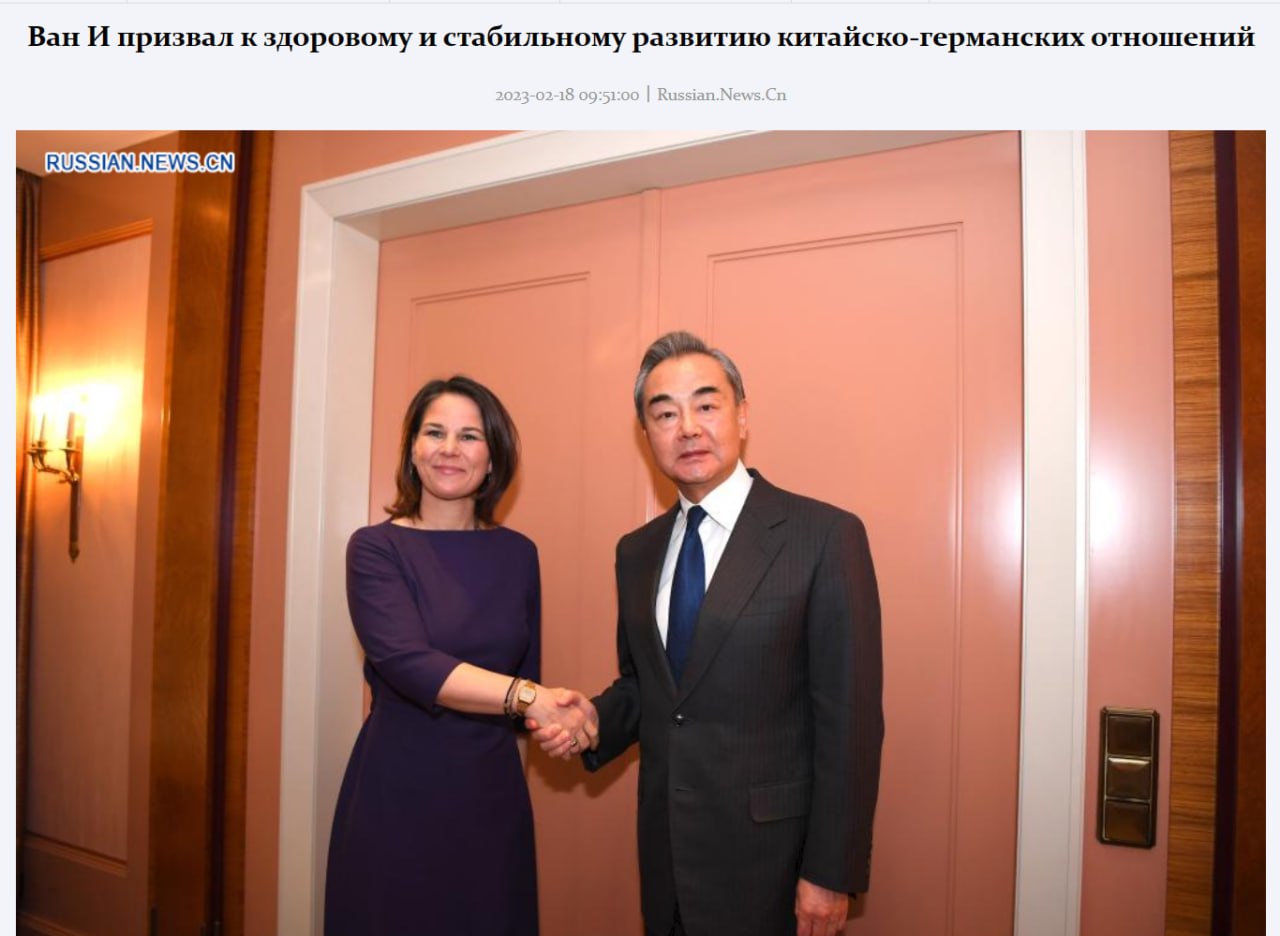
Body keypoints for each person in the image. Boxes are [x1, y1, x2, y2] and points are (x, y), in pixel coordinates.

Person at [533, 332, 884, 936]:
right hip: (667, 862)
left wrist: (831, 872)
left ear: (742, 415)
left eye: (706, 404)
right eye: (665, 413)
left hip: (774, 866)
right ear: (646, 434)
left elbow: (850, 722)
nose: (688, 428)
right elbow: (650, 687)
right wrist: (591, 719)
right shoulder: (636, 552)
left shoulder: (823, 536)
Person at [325, 375, 589, 936]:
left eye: (469, 436)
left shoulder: (518, 554)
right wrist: (531, 698)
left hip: (493, 798)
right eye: (434, 432)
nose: (449, 449)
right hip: (398, 792)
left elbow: (525, 690)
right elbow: (409, 662)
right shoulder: (374, 548)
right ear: (412, 450)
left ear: (492, 459)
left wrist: (533, 735)